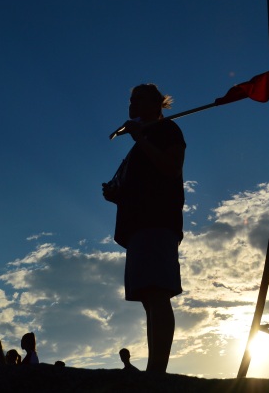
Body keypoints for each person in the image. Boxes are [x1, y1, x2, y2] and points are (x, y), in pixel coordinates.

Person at [103, 84, 186, 374]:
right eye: (130, 100)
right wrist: (117, 195)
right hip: (139, 225)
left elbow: (171, 168)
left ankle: (157, 372)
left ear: (157, 104)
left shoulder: (167, 131)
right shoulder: (141, 144)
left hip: (158, 222)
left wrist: (141, 137)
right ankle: (155, 370)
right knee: (149, 297)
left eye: (137, 99)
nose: (131, 104)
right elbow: (140, 187)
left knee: (157, 292)